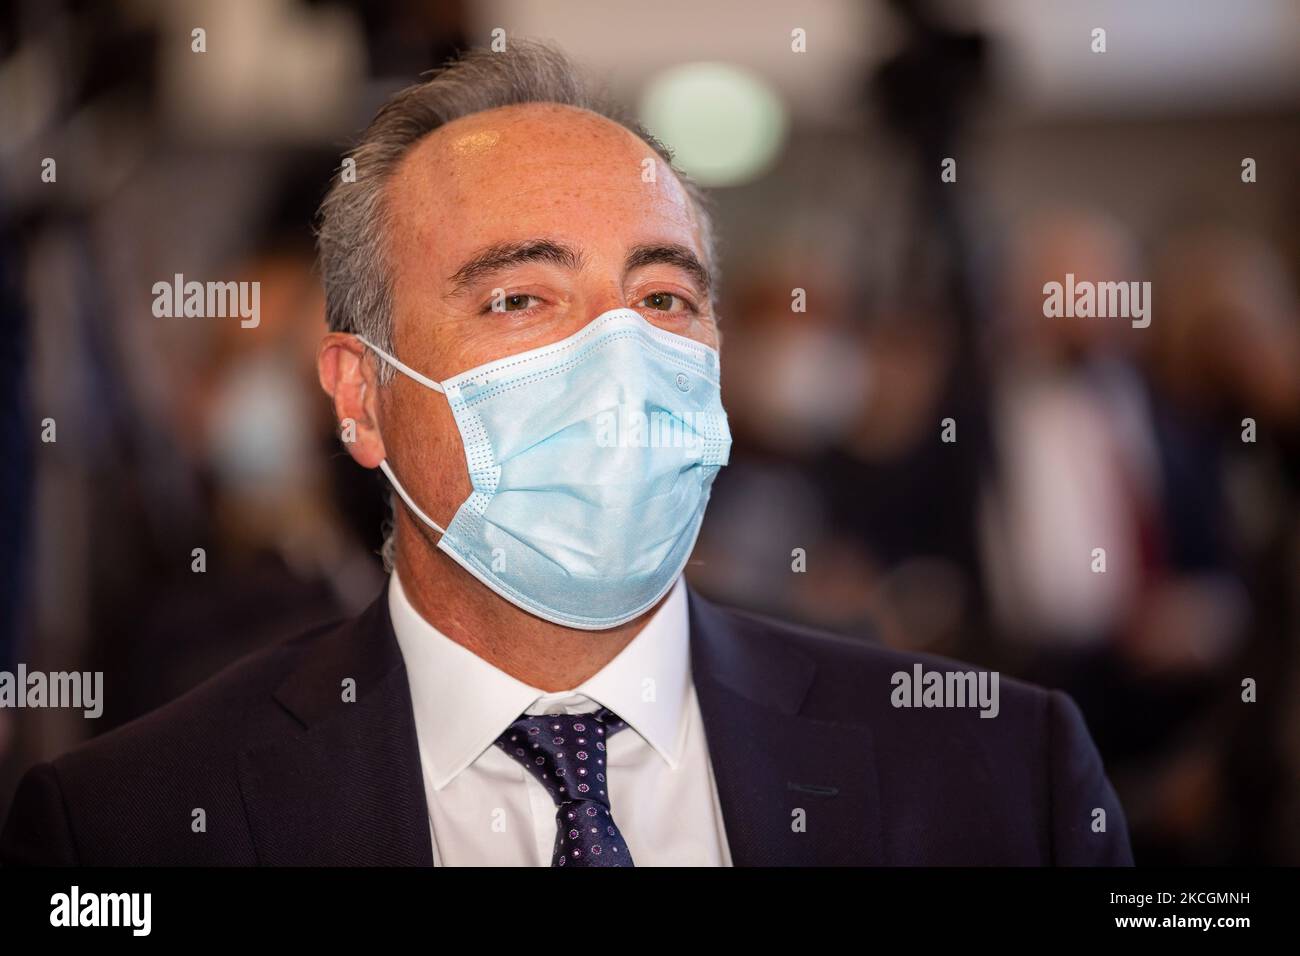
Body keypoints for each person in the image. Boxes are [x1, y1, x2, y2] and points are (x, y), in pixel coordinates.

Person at [0, 42, 1130, 866]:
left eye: (662, 295)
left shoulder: (1000, 774)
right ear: (362, 397)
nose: (621, 355)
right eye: (521, 296)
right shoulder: (129, 826)